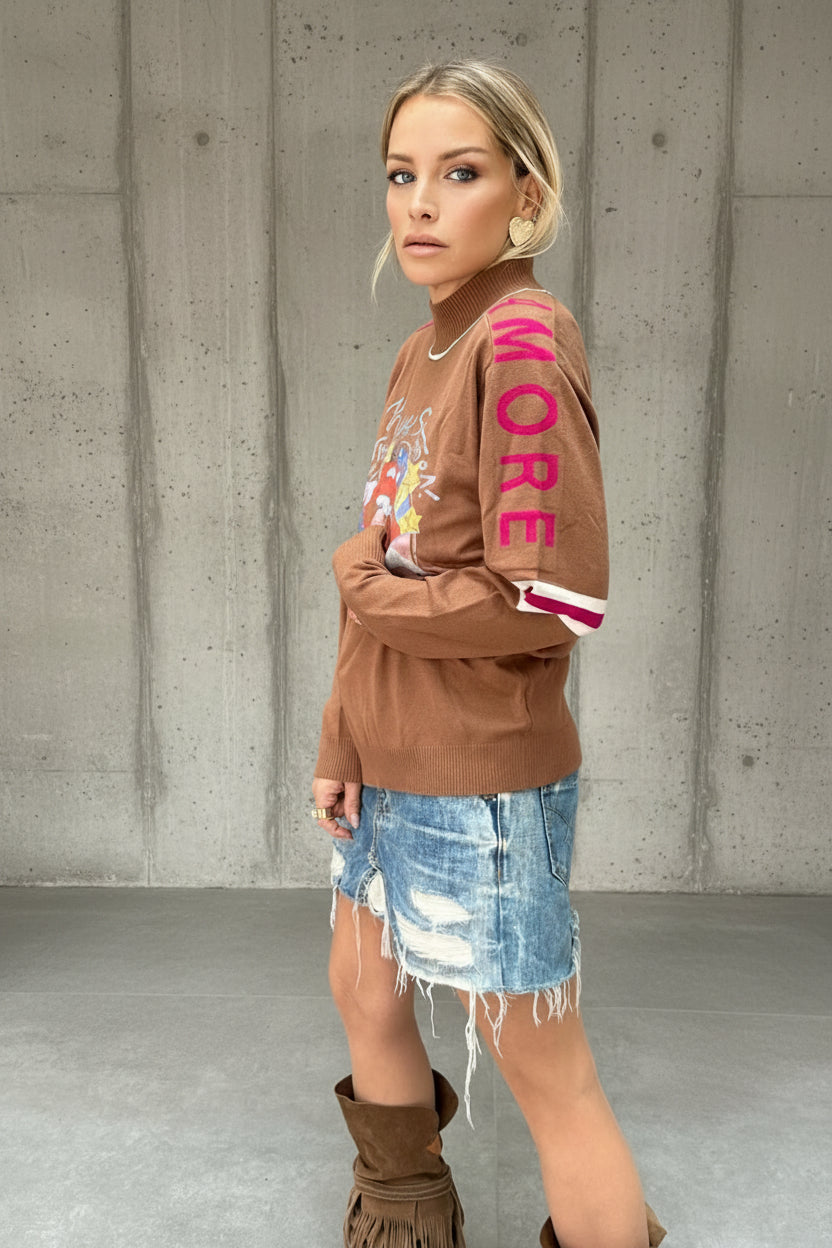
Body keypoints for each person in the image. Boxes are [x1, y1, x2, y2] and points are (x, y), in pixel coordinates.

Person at [312, 59, 667, 1248]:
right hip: (390, 758)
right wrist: (342, 737)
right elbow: (394, 562)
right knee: (363, 988)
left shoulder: (517, 340)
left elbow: (546, 599)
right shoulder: (423, 350)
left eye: (458, 173)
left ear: (525, 195)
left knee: (538, 1062)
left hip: (480, 784)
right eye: (399, 174)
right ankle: (406, 1215)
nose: (418, 203)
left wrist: (364, 578)